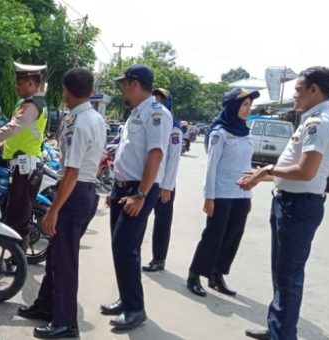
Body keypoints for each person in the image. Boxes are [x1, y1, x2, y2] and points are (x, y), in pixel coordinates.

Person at [239, 67, 329, 340]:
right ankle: (278, 328)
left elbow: (305, 171)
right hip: (291, 203)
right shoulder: (313, 119)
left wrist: (267, 171)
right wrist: (263, 176)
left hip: (298, 207)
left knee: (288, 276)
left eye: (298, 89)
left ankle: (282, 335)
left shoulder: (318, 123)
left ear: (314, 90)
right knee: (282, 273)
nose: (294, 95)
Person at [16, 68, 105, 339]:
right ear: (90, 91)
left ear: (66, 91)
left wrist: (53, 210)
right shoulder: (94, 117)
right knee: (55, 255)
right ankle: (46, 306)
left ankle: (66, 323)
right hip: (82, 190)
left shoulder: (79, 122)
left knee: (65, 262)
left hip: (74, 192)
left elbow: (73, 171)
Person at [99, 64, 172, 331]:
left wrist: (140, 194)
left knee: (124, 247)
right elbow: (127, 153)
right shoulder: (136, 113)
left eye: (123, 84)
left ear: (134, 83)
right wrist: (114, 188)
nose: (122, 89)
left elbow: (155, 155)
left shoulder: (157, 114)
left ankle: (135, 309)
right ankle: (126, 298)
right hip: (123, 188)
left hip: (139, 190)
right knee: (124, 247)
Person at [186, 87, 259, 298]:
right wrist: (209, 197)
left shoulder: (245, 133)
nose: (247, 109)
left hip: (241, 195)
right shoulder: (220, 133)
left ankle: (217, 274)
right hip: (221, 194)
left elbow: (247, 164)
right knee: (213, 236)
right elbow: (211, 168)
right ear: (233, 106)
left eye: (249, 105)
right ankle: (195, 274)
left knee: (232, 237)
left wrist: (249, 194)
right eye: (244, 105)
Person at [0, 62, 49, 249]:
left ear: (30, 83)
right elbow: (18, 134)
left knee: (19, 216)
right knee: (14, 212)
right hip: (19, 164)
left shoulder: (33, 106)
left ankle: (17, 257)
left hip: (26, 166)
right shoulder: (25, 103)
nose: (16, 87)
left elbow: (12, 128)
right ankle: (14, 254)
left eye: (19, 83)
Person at [142, 88, 182, 272]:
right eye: (154, 99)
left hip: (163, 184)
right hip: (148, 180)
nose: (157, 103)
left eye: (161, 100)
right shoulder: (148, 121)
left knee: (162, 223)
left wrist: (167, 187)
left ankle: (159, 259)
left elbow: (173, 160)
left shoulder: (174, 129)